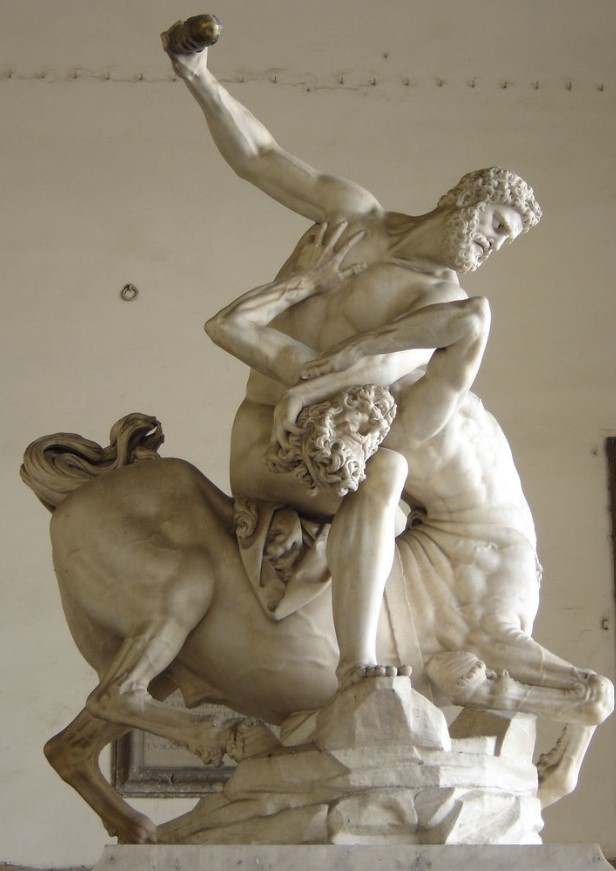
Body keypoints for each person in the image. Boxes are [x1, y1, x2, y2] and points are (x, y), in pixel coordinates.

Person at [161, 30, 542, 689]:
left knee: (386, 468)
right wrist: (197, 74)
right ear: (466, 199)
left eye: (505, 241)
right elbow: (260, 156)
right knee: (384, 469)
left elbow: (383, 367)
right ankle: (356, 657)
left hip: (332, 445)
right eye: (496, 226)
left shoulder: (442, 299)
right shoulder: (354, 215)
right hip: (264, 440)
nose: (493, 246)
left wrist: (315, 380)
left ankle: (359, 663)